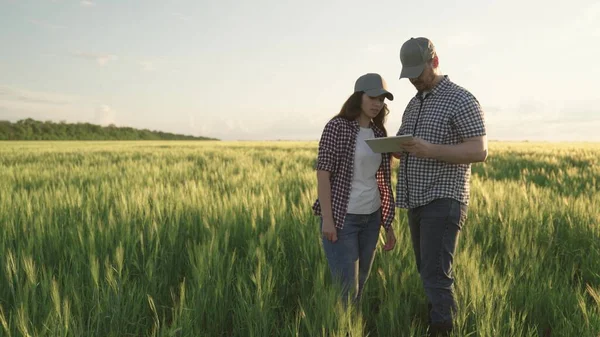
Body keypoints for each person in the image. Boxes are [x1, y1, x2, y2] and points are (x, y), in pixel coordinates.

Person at [394, 37, 488, 336]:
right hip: (416, 199)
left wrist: (431, 150)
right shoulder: (413, 103)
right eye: (408, 75)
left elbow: (478, 151)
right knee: (427, 271)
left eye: (417, 74)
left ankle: (442, 329)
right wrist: (394, 148)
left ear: (434, 62)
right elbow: (404, 142)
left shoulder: (461, 99)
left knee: (436, 274)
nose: (413, 81)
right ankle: (437, 321)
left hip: (444, 199)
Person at [312, 73, 397, 307]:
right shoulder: (337, 127)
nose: (377, 104)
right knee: (347, 290)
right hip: (343, 218)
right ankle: (343, 329)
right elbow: (323, 174)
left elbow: (382, 180)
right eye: (372, 97)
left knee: (360, 285)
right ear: (358, 97)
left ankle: (351, 328)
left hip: (371, 217)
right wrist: (327, 220)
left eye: (382, 100)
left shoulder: (379, 132)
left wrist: (387, 223)